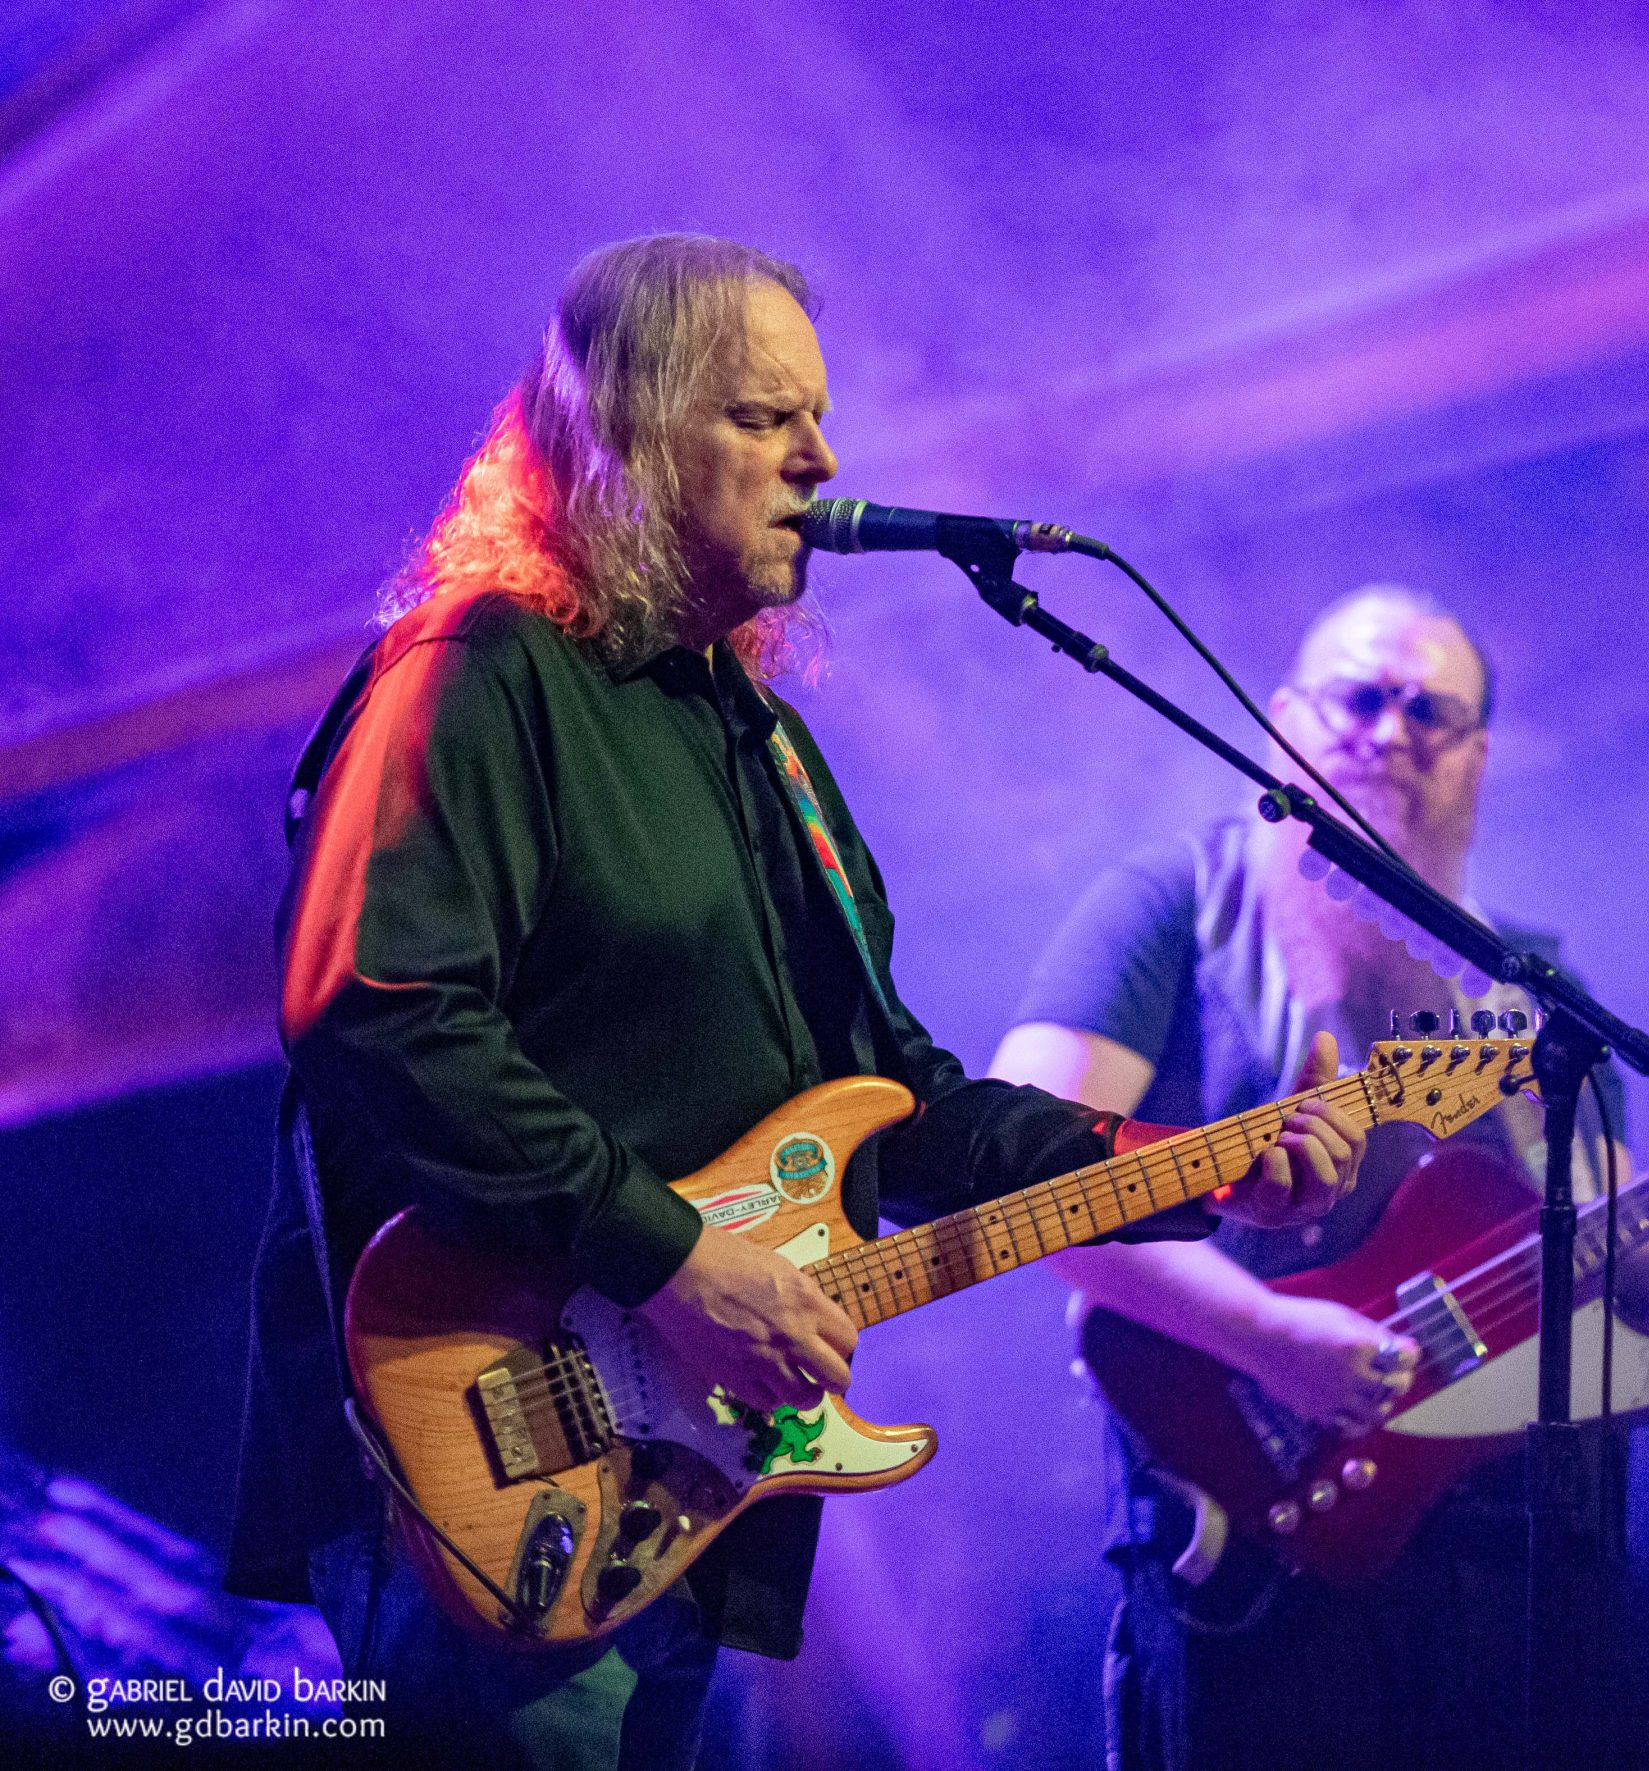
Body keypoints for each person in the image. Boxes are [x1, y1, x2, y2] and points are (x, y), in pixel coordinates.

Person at [221, 234, 1360, 1771]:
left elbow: (904, 1097)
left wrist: (1198, 1161)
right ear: (624, 432)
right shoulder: (482, 670)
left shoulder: (766, 750)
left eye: (815, 417)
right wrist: (677, 1256)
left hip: (678, 1492)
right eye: (762, 417)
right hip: (491, 1448)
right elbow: (379, 1008)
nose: (821, 457)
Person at [988, 585, 1649, 1771]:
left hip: (1514, 1569)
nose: (1389, 731)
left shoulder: (1536, 987)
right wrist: (1264, 1336)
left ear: (1479, 756)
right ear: (1283, 718)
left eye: (1427, 710)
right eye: (1358, 698)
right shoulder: (1173, 906)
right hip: (1250, 1534)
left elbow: (1608, 1287)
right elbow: (1016, 1165)